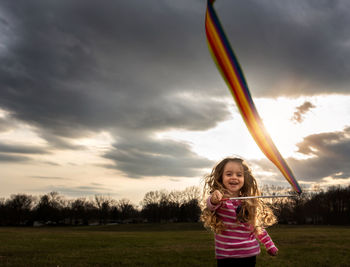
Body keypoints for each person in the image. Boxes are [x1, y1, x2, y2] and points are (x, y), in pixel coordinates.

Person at [200, 157, 278, 267]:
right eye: (229, 174)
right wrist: (214, 198)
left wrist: (269, 245)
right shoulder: (220, 200)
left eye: (239, 175)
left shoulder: (248, 203)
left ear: (245, 178)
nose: (234, 177)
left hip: (249, 255)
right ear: (221, 177)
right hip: (226, 257)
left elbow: (257, 228)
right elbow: (211, 205)